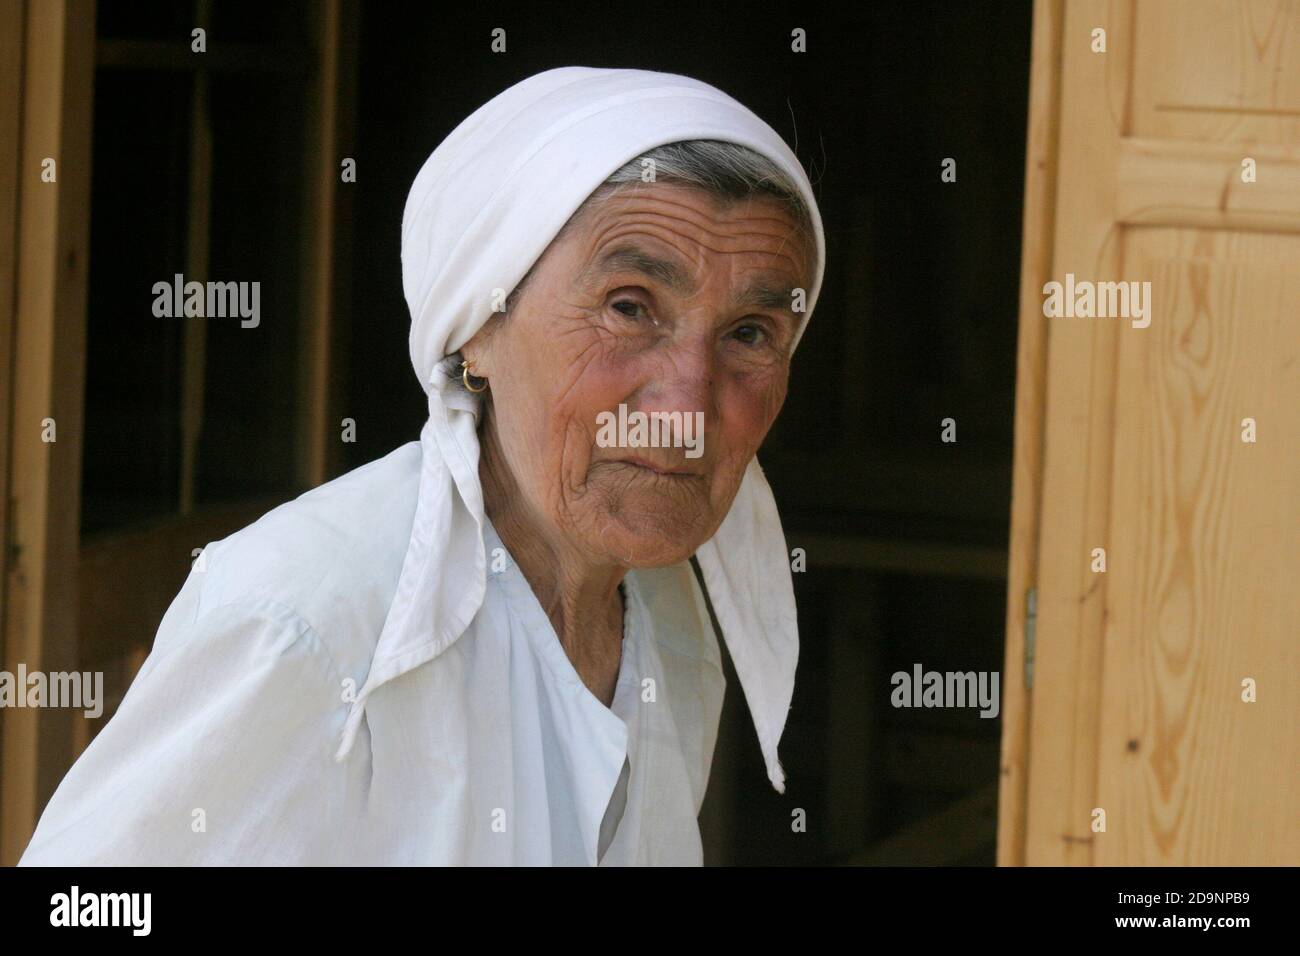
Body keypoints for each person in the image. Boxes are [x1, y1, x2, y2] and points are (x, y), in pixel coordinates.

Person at [19, 65, 826, 866]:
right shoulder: (308, 622)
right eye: (628, 307)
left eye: (749, 334)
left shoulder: (667, 622)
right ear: (478, 326)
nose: (688, 404)